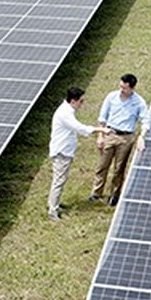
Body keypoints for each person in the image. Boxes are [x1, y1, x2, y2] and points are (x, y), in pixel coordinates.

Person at [91, 73, 150, 206]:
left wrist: (142, 136)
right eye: (120, 86)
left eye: (124, 88)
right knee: (102, 166)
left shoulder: (139, 102)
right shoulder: (111, 97)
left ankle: (114, 195)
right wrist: (100, 136)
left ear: (132, 88)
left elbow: (146, 121)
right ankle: (96, 193)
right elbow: (102, 117)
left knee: (119, 169)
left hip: (126, 138)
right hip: (109, 134)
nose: (121, 90)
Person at [47, 86, 96, 221]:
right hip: (61, 152)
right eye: (81, 101)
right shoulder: (65, 114)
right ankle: (52, 210)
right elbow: (80, 128)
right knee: (59, 181)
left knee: (60, 180)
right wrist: (100, 130)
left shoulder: (67, 110)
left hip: (64, 151)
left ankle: (54, 204)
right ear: (73, 101)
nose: (82, 104)